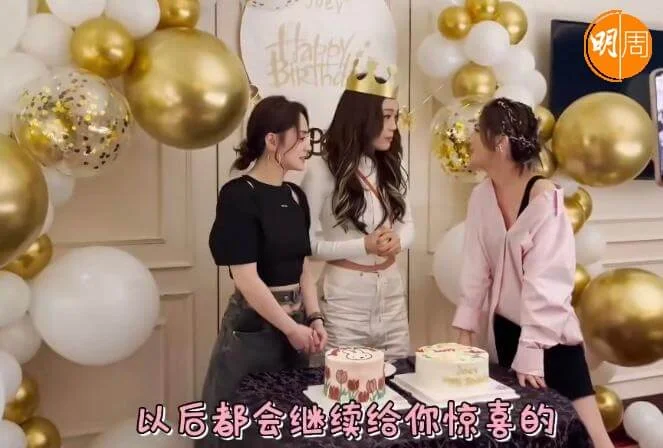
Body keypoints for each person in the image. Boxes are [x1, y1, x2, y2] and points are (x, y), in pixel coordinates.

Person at [451, 97, 614, 448]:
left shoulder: (544, 199)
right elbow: (476, 266)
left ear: (500, 143)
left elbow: (549, 282)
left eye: (477, 130)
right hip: (505, 332)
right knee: (526, 437)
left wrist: (533, 346)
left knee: (592, 436)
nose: (469, 137)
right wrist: (466, 325)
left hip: (551, 339)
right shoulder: (481, 196)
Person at [198, 96, 327, 447]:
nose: (308, 146)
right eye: (301, 136)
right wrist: (290, 328)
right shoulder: (239, 195)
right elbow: (246, 278)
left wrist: (314, 318)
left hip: (296, 324)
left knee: (290, 427)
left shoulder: (296, 196)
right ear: (272, 140)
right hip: (254, 328)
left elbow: (303, 267)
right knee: (245, 427)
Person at [300, 59, 414, 361]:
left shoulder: (392, 165)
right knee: (345, 379)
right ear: (363, 118)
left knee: (398, 376)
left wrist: (399, 240)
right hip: (345, 299)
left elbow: (408, 224)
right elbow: (307, 245)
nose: (393, 126)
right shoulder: (322, 169)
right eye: (386, 117)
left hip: (392, 293)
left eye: (396, 116)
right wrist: (363, 245)